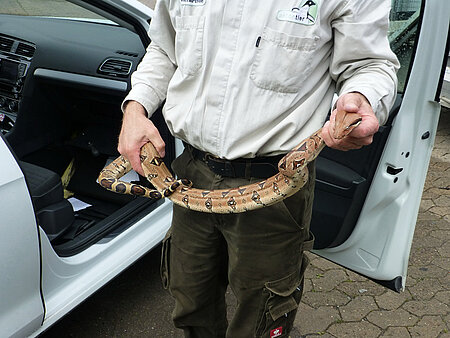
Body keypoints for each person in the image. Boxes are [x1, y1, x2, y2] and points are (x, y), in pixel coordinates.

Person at [118, 0, 399, 336]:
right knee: (190, 299)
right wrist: (135, 109)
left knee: (264, 312)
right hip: (191, 175)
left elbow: (370, 65)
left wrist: (361, 97)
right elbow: (165, 48)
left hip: (276, 182)